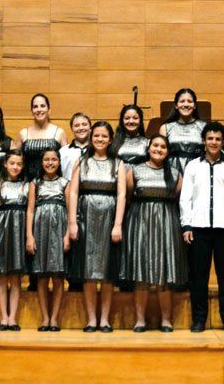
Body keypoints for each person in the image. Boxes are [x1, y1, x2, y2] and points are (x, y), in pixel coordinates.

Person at [180, 121, 224, 333]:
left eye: (218, 139)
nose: (214, 142)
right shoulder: (192, 166)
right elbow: (186, 198)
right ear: (203, 140)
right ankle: (199, 319)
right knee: (198, 278)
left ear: (223, 141)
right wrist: (186, 224)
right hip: (198, 229)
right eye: (210, 138)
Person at [121, 134, 186, 332]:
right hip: (139, 221)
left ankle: (166, 320)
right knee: (141, 272)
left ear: (168, 151)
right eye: (155, 146)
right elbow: (129, 195)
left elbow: (178, 197)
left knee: (164, 273)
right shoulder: (134, 170)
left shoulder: (175, 173)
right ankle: (140, 320)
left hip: (167, 222)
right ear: (148, 148)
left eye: (163, 147)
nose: (158, 149)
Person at [68, 121, 126, 332]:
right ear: (91, 138)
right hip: (86, 217)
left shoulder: (117, 163)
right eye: (96, 136)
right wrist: (72, 222)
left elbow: (122, 194)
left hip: (109, 218)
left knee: (108, 274)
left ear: (110, 139)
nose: (99, 139)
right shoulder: (81, 161)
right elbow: (73, 192)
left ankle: (105, 319)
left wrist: (118, 224)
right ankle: (92, 319)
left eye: (104, 136)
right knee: (89, 271)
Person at [27, 149, 70, 331]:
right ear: (41, 162)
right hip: (40, 230)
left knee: (58, 277)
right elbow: (30, 210)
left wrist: (67, 234)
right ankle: (45, 317)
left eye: (54, 159)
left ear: (59, 162)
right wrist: (29, 235)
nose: (50, 163)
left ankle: (55, 318)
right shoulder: (35, 183)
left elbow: (70, 211)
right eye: (46, 159)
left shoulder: (65, 183)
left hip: (59, 229)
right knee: (42, 277)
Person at [0, 152, 29, 331]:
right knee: (2, 276)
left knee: (15, 277)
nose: (15, 167)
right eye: (12, 163)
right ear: (5, 164)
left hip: (19, 231)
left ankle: (13, 317)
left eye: (19, 164)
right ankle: (3, 316)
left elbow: (30, 212)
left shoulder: (28, 186)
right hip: (2, 230)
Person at [19, 94, 68, 181]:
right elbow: (17, 160)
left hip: (53, 185)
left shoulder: (59, 132)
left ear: (49, 110)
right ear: (31, 111)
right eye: (35, 107)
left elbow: (65, 163)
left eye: (42, 106)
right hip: (28, 182)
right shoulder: (23, 133)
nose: (39, 109)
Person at [159, 88, 206, 173]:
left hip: (198, 170)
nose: (186, 104)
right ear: (176, 105)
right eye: (182, 101)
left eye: (189, 101)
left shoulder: (204, 127)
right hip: (172, 172)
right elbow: (160, 156)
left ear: (195, 105)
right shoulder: (165, 128)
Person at [59, 112, 91, 184]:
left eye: (84, 124)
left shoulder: (97, 150)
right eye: (77, 125)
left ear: (90, 128)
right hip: (69, 191)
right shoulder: (63, 151)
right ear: (72, 129)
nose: (81, 128)